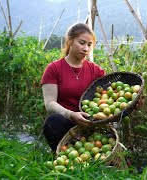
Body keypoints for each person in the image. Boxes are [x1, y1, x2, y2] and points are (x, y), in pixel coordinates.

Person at [41, 23, 105, 152]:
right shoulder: (54, 69)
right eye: (82, 43)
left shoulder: (96, 71)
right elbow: (49, 103)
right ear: (70, 41)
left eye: (89, 44)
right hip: (66, 122)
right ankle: (61, 153)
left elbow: (108, 96)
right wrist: (71, 114)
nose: (86, 49)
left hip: (90, 122)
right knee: (53, 121)